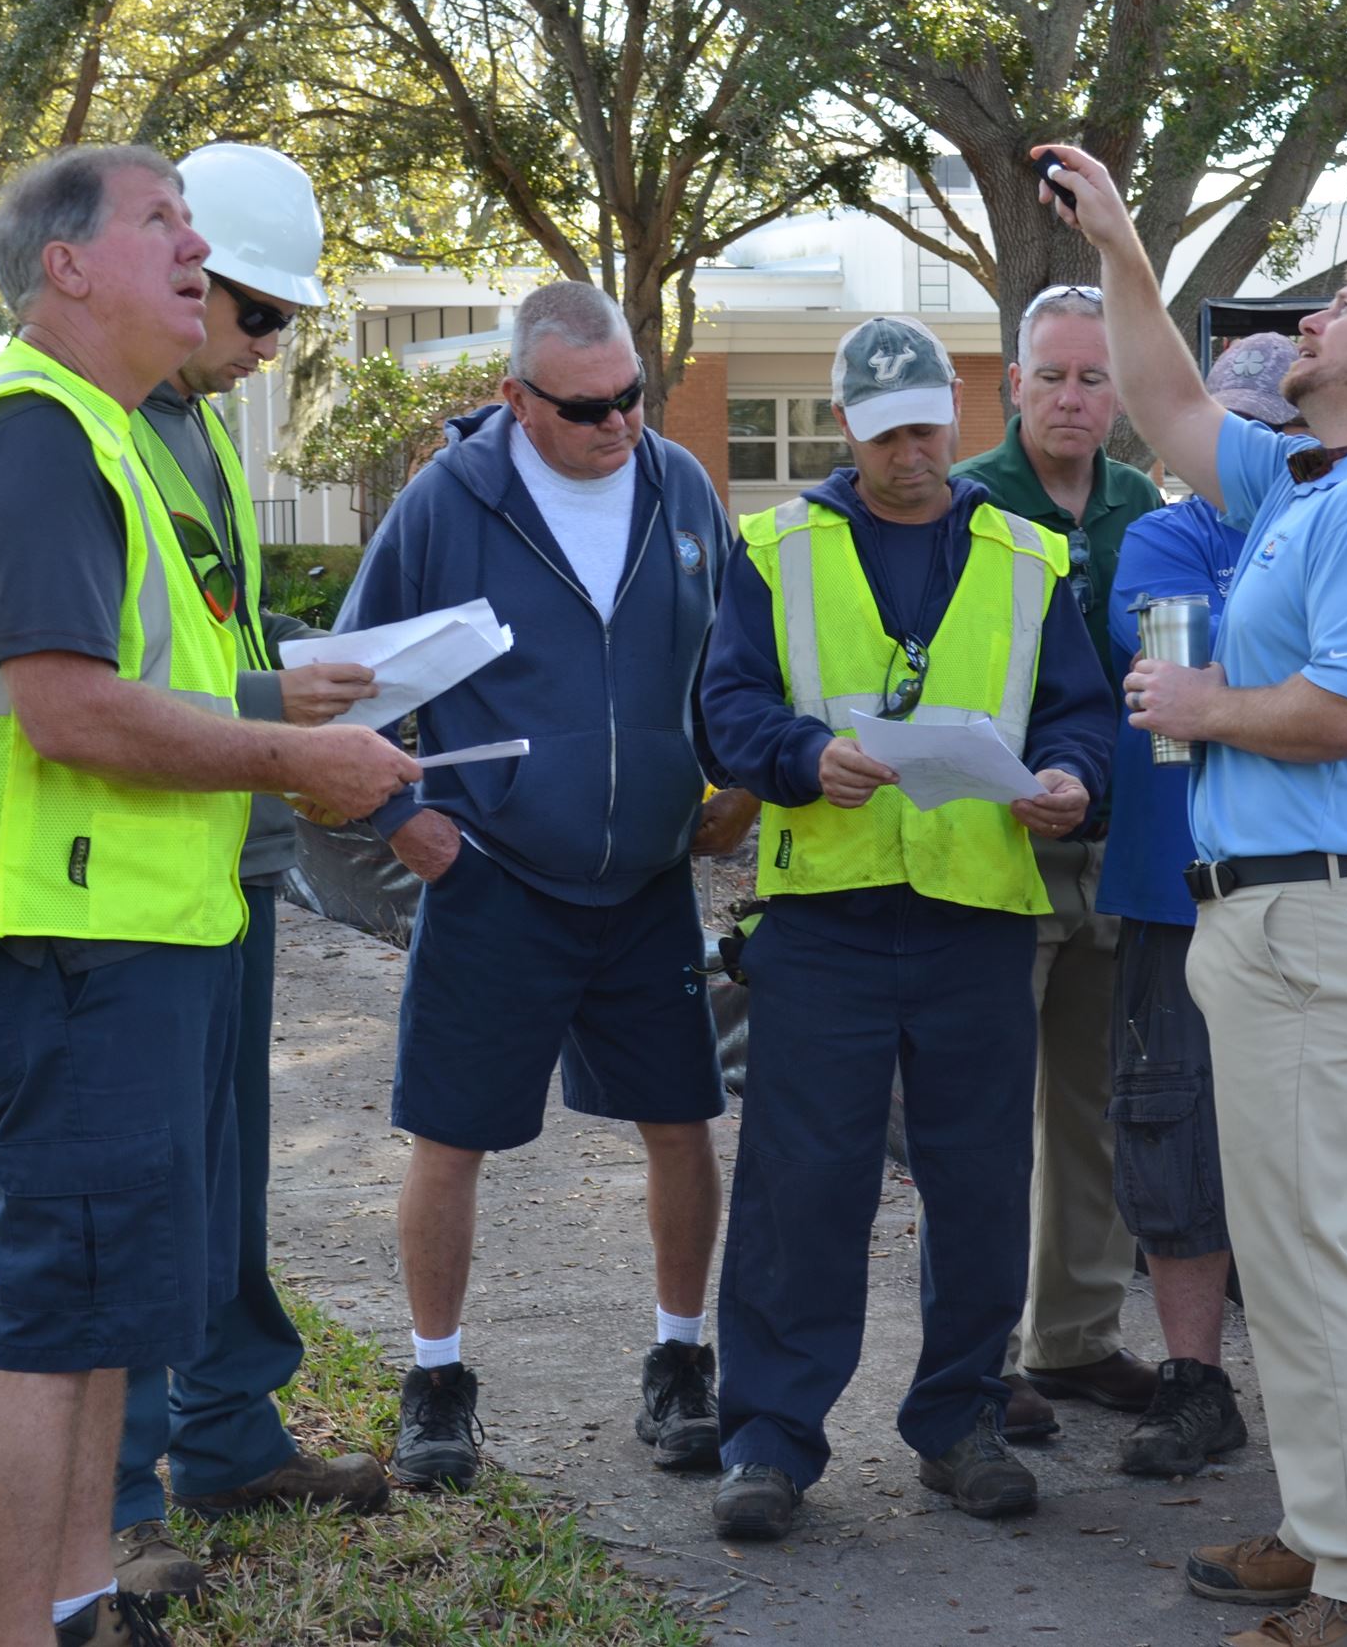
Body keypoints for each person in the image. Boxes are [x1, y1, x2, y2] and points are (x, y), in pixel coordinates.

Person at [0, 144, 421, 1647]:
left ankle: (85, 1598)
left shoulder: (99, 434)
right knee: (46, 1328)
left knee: (92, 1326)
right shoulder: (38, 437)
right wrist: (294, 755)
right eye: (162, 221)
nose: (196, 246)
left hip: (118, 935)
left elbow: (136, 674)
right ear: (67, 266)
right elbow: (70, 711)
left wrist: (275, 714)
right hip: (63, 944)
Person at [1042, 141, 1347, 1647]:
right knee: (1291, 1250)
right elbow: (1170, 404)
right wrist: (1121, 248)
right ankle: (1329, 1524)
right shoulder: (1309, 475)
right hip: (1266, 914)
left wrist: (1204, 701)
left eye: (1341, 306)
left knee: (1311, 1254)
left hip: (1308, 912)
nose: (1311, 320)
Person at [699, 314, 1114, 1542]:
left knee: (980, 1182)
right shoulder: (776, 549)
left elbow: (1078, 714)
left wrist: (1073, 781)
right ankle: (768, 1442)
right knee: (799, 1187)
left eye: (927, 426)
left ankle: (960, 1422)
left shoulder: (1031, 558)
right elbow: (722, 706)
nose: (909, 453)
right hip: (822, 920)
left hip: (975, 922)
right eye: (883, 434)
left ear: (959, 414)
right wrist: (793, 756)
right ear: (845, 428)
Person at [339, 280, 758, 1495]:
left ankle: (681, 1361)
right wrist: (399, 816)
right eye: (586, 410)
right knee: (450, 1134)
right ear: (518, 401)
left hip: (643, 885)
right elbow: (353, 685)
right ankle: (436, 1381)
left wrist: (733, 776)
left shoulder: (679, 486)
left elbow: (729, 658)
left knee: (683, 1121)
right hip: (496, 882)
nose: (618, 425)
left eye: (633, 397)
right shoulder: (447, 505)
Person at [106, 142, 391, 1604]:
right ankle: (117, 1499)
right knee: (138, 1195)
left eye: (284, 321)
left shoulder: (198, 432)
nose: (266, 348)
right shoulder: (86, 428)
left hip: (226, 855)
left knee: (223, 1171)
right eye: (259, 314)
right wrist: (278, 738)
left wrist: (295, 690)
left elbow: (201, 653)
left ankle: (227, 1435)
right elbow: (88, 691)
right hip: (127, 882)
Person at [950, 282, 1163, 1437]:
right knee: (982, 1113)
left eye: (1094, 377)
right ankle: (971, 1362)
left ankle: (1074, 1339)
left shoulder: (1141, 504)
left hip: (1114, 848)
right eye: (1052, 376)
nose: (1072, 397)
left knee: (1095, 1104)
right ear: (1010, 384)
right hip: (999, 850)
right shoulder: (963, 503)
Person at [1095, 334, 1298, 1478]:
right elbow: (1171, 692)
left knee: (1303, 1142)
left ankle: (1305, 1377)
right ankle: (1192, 1380)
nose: (1244, 449)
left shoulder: (1328, 523)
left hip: (1295, 881)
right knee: (1167, 1126)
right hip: (1171, 887)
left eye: (1269, 429)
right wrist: (1262, 691)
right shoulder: (1160, 537)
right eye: (1228, 426)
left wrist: (1240, 689)